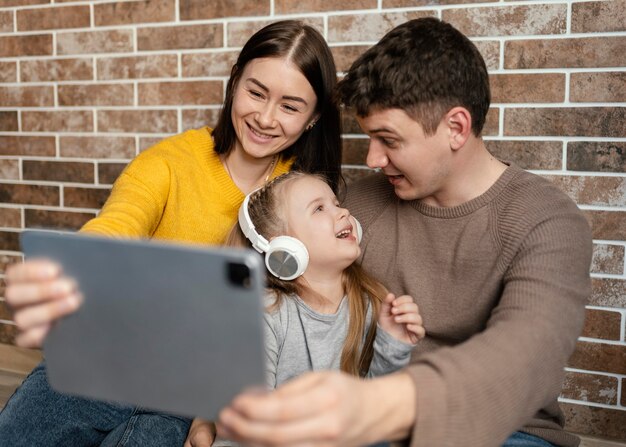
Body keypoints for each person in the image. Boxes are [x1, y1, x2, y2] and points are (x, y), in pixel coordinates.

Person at [213, 17, 593, 447]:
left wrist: (380, 406)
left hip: (504, 432)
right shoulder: (358, 208)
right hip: (373, 424)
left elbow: (527, 357)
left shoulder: (546, 221)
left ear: (455, 128)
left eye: (388, 140)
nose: (373, 159)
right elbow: (277, 301)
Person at [0, 20, 342, 446]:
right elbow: (120, 221)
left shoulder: (311, 198)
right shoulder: (169, 162)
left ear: (313, 119)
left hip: (198, 386)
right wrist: (83, 258)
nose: (265, 117)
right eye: (256, 92)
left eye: (290, 107)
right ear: (234, 81)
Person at [185, 171, 425, 446]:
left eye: (336, 203)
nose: (343, 211)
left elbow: (374, 411)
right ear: (283, 247)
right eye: (319, 208)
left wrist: (392, 346)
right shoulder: (264, 316)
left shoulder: (370, 302)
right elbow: (243, 429)